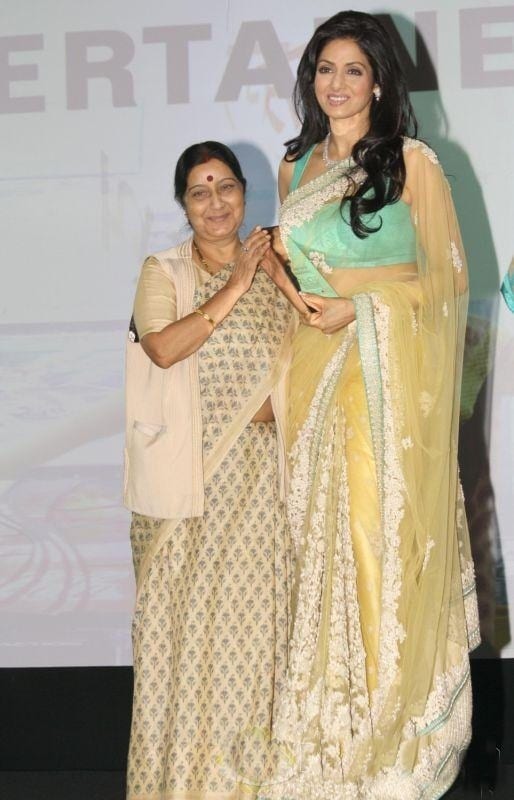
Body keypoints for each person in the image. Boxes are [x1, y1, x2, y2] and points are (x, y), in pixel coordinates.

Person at [257, 11, 480, 799]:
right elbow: (295, 283)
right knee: (319, 541)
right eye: (325, 69)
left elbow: (449, 281)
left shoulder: (411, 161)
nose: (337, 84)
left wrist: (365, 308)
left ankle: (395, 720)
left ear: (379, 80)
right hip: (312, 375)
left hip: (382, 374)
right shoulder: (295, 167)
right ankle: (332, 714)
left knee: (373, 538)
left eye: (353, 69)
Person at [124, 141, 303, 799]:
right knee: (192, 649)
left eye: (225, 186)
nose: (215, 203)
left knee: (260, 647)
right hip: (191, 486)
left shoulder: (275, 265)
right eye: (199, 192)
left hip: (266, 482)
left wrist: (280, 272)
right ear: (184, 204)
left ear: (243, 193)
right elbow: (164, 347)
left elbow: (315, 333)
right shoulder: (162, 270)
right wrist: (234, 286)